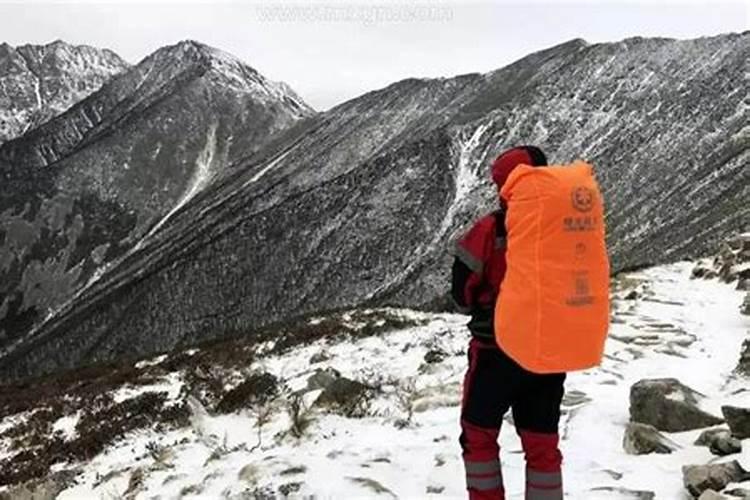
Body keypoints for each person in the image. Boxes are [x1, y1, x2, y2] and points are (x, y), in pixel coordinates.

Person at [451, 145, 565, 500]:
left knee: (478, 435)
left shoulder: (491, 229)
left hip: (495, 353)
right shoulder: (568, 226)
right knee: (542, 442)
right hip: (549, 352)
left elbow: (461, 293)